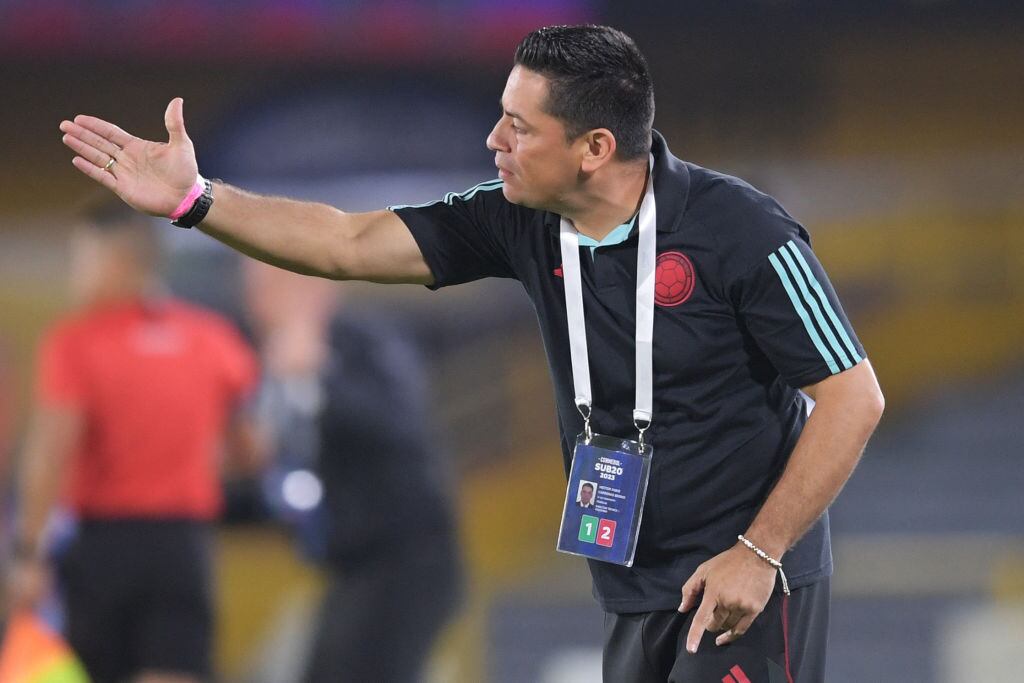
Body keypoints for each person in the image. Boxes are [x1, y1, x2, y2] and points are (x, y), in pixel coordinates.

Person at [57, 24, 885, 682]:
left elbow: (854, 396)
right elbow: (348, 242)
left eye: (520, 127)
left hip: (744, 578)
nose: (494, 139)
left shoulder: (743, 231)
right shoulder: (520, 218)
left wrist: (760, 551)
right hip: (635, 579)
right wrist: (196, 200)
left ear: (595, 148)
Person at [5, 204, 260, 683]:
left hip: (105, 546)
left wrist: (28, 553)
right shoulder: (214, 339)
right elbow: (251, 451)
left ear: (118, 261)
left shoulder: (76, 343)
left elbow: (49, 453)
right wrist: (185, 465)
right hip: (184, 545)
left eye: (82, 260)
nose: (75, 276)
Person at [242, 260, 462, 683]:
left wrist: (320, 378)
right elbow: (288, 476)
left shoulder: (362, 340)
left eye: (271, 287)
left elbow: (399, 426)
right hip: (349, 564)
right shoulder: (269, 368)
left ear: (314, 290)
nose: (256, 303)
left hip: (406, 560)